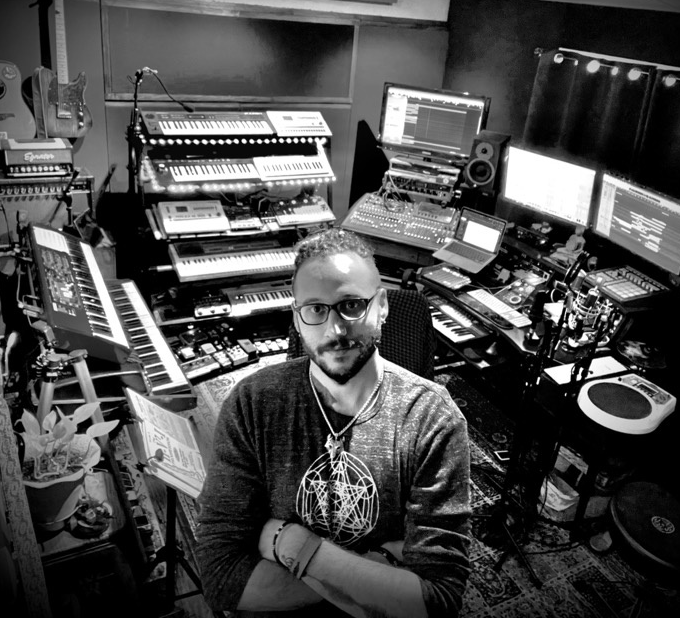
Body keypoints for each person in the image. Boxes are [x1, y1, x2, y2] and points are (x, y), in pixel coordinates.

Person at [194, 228, 472, 618]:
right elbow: (222, 578)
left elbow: (438, 599)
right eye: (316, 309)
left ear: (383, 307)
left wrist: (291, 545)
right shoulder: (252, 402)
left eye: (352, 305)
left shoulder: (431, 417)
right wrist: (380, 571)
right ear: (297, 318)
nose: (335, 330)